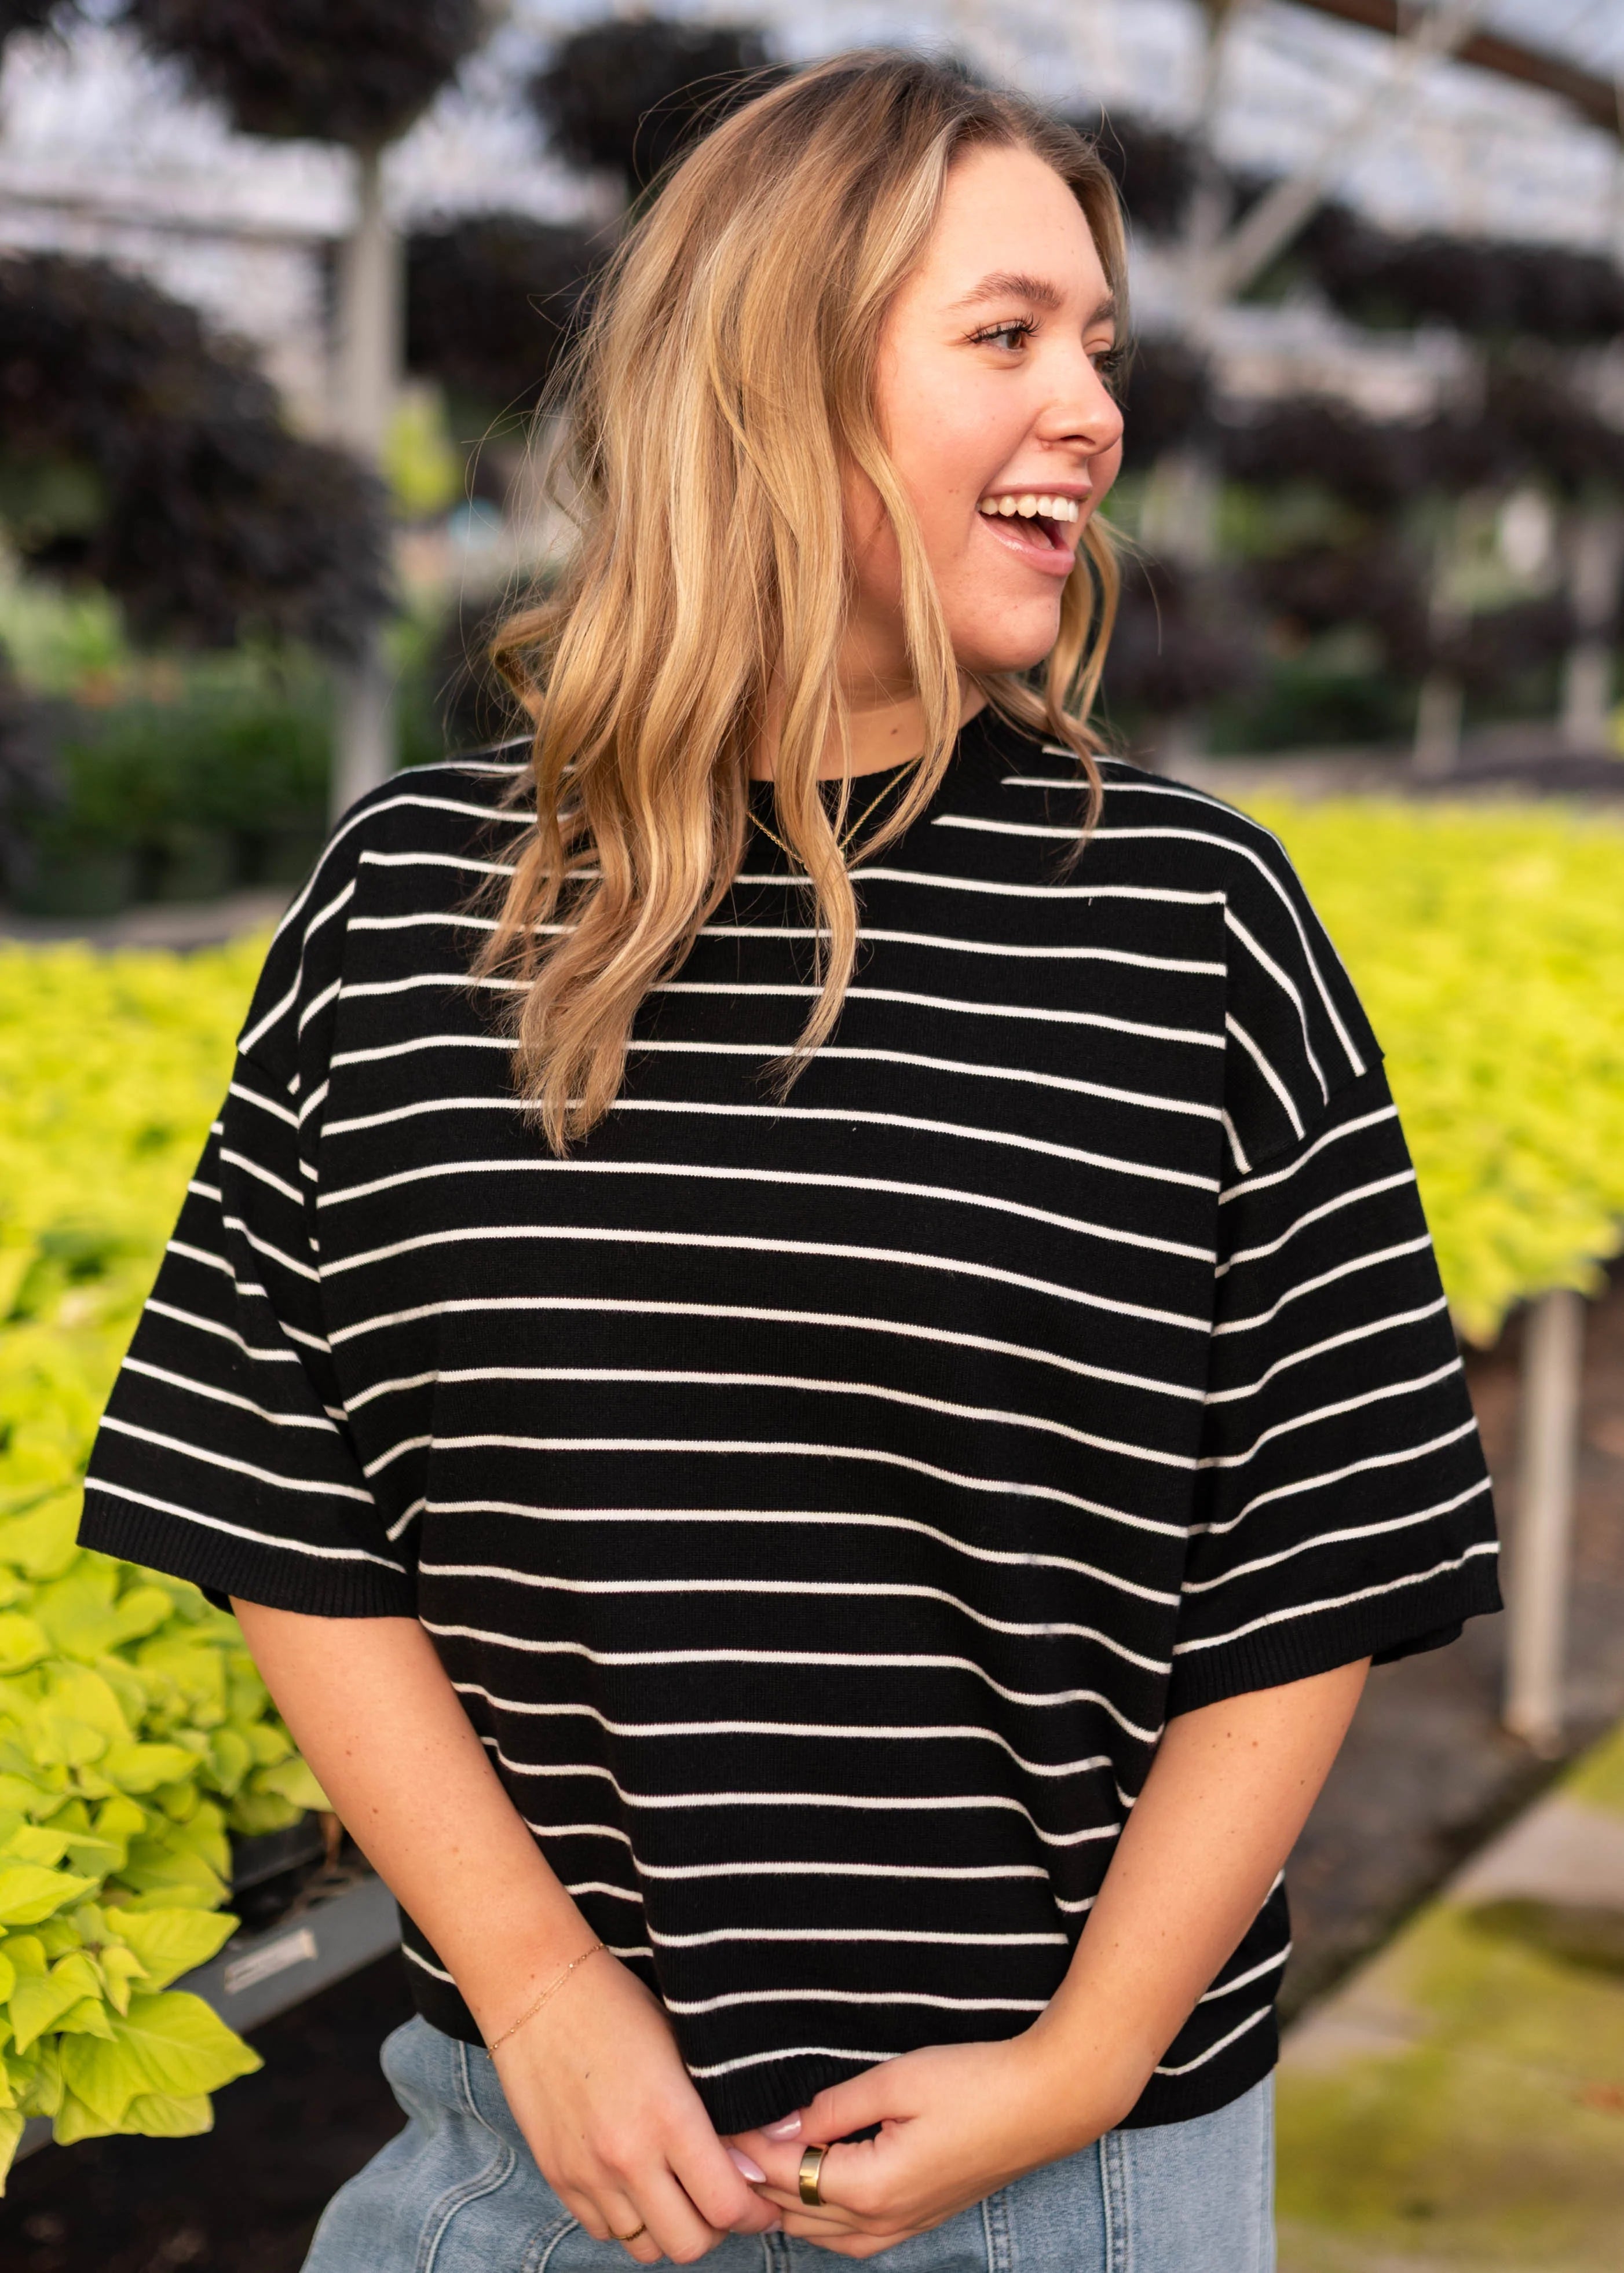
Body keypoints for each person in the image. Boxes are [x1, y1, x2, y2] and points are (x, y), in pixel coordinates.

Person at [81, 51, 1500, 2273]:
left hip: (1061, 2181)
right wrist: (541, 1992)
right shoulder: (413, 904)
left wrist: (1085, 2061)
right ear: (765, 378)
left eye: (1100, 347)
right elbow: (288, 1496)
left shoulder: (1187, 919)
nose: (1093, 412)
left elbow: (1313, 1544)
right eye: (1006, 334)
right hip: (526, 2160)